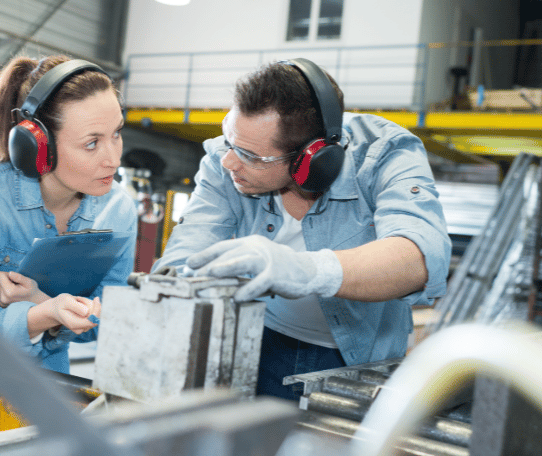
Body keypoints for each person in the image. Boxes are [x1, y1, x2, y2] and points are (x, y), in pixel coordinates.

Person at [152, 59, 451, 401]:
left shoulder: (383, 153)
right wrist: (166, 290)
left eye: (249, 155)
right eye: (229, 141)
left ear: (309, 159)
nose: (229, 162)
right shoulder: (227, 160)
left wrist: (302, 270)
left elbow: (419, 258)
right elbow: (189, 248)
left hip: (359, 357)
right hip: (260, 339)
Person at [0, 55, 137, 431]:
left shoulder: (117, 210)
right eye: (91, 144)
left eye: (116, 133)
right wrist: (50, 315)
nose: (112, 157)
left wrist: (39, 303)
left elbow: (107, 320)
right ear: (38, 146)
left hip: (41, 398)